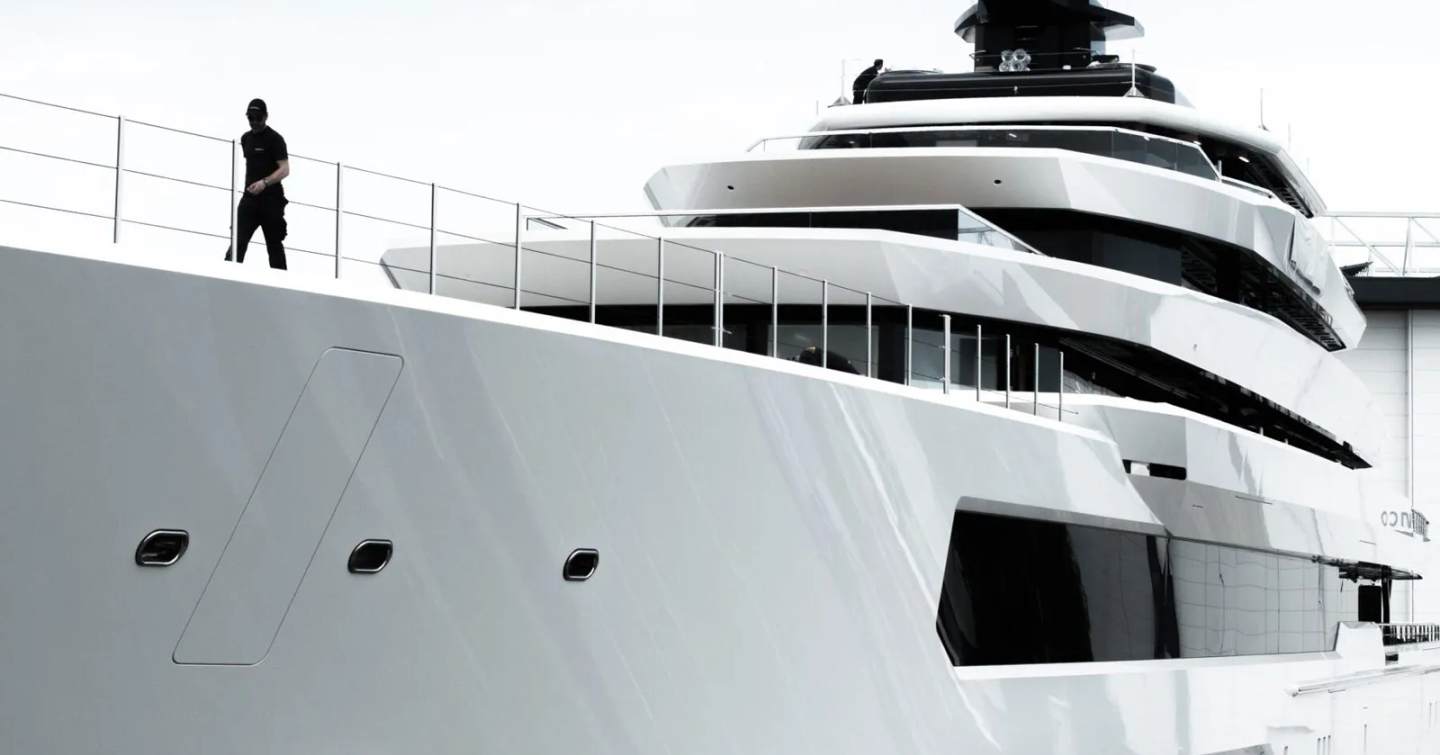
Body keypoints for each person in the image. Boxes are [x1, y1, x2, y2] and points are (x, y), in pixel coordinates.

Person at [224, 98, 291, 269]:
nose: (254, 122)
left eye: (258, 118)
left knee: (274, 247)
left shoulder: (275, 139)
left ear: (266, 117)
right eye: (250, 118)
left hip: (271, 200)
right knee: (237, 242)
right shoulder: (245, 138)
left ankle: (281, 288)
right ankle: (226, 282)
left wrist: (265, 182)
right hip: (250, 199)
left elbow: (285, 169)